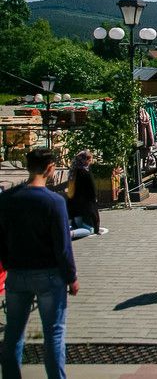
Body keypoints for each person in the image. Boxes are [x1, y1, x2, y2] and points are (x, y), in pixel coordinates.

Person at [0, 148, 78, 379]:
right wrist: (71, 277)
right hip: (49, 275)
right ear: (50, 168)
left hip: (16, 274)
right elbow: (63, 245)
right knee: (53, 333)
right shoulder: (55, 202)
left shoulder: (7, 199)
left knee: (13, 333)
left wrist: (8, 263)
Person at [66, 150, 100, 239]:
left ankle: (68, 230)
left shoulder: (73, 171)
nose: (92, 161)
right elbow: (91, 190)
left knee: (77, 224)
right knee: (90, 229)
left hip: (73, 206)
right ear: (86, 160)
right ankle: (69, 234)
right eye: (91, 159)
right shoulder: (85, 172)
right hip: (85, 206)